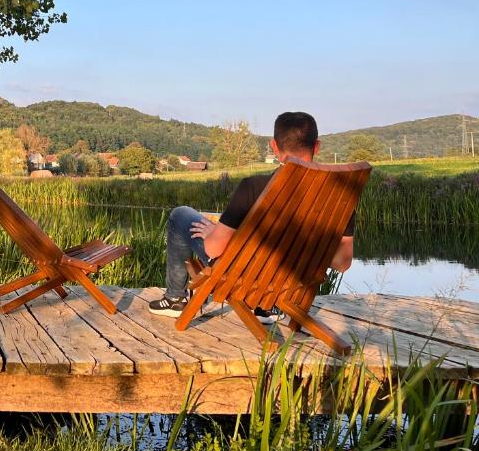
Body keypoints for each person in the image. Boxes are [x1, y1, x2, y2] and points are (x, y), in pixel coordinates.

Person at [148, 111, 355, 321]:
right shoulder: (340, 197)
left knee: (180, 214)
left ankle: (175, 299)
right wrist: (307, 250)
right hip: (292, 281)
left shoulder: (253, 188)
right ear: (317, 146)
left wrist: (215, 231)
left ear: (274, 146)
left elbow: (213, 249)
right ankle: (271, 306)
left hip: (247, 278)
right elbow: (342, 262)